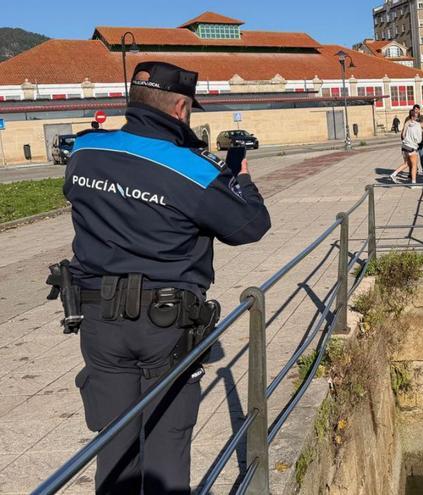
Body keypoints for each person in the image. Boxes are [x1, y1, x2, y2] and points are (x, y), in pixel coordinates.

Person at [56, 61, 271, 494]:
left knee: (114, 445)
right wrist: (240, 178)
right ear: (179, 108)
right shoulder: (190, 168)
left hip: (98, 320)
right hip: (166, 324)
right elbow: (249, 227)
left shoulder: (85, 152)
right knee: (166, 445)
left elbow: (89, 195)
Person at [390, 108, 423, 184]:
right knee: (414, 165)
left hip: (404, 146)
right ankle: (413, 183)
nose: (417, 118)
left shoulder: (407, 123)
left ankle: (393, 174)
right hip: (412, 147)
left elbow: (403, 135)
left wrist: (407, 139)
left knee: (407, 163)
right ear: (415, 117)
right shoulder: (417, 125)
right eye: (417, 116)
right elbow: (419, 140)